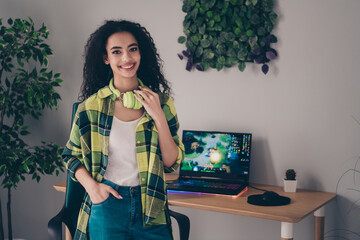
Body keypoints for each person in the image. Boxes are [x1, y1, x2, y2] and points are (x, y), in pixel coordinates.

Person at [62, 20, 185, 240]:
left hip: (151, 207)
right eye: (117, 52)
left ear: (141, 53)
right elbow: (70, 156)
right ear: (106, 58)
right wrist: (93, 188)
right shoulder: (90, 107)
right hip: (108, 205)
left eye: (133, 49)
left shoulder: (162, 103)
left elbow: (171, 162)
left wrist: (157, 115)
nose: (127, 58)